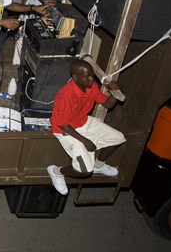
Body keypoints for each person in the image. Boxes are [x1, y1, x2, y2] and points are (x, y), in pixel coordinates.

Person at [47, 60, 126, 195]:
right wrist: (86, 141)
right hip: (66, 131)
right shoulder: (65, 95)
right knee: (85, 171)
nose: (91, 79)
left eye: (91, 75)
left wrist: (116, 91)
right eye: (87, 76)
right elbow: (62, 124)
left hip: (83, 122)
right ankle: (56, 172)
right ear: (75, 77)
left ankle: (98, 165)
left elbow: (108, 104)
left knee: (118, 138)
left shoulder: (91, 86)